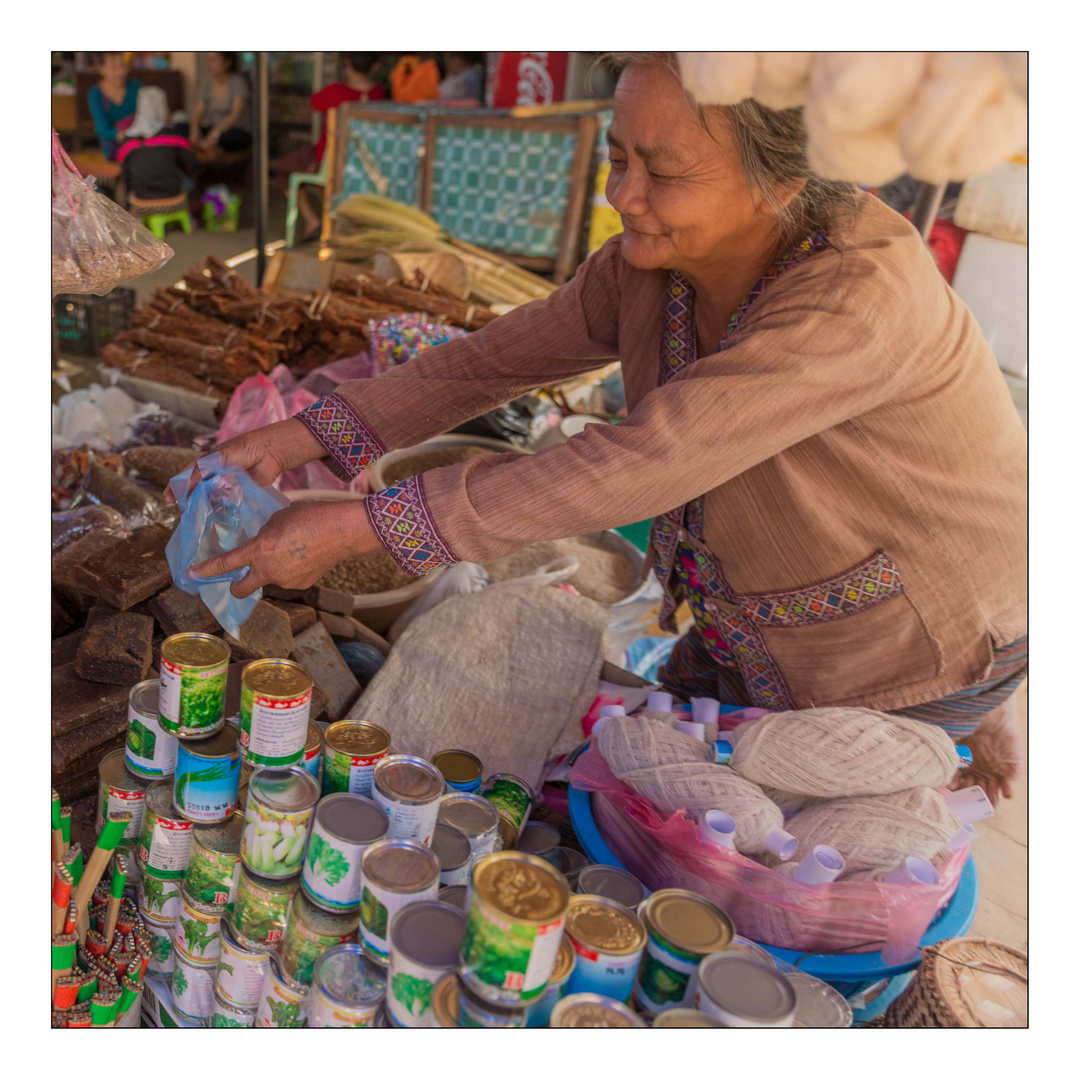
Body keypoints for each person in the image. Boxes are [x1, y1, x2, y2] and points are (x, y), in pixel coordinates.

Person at [182, 52, 1027, 805]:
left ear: (784, 181)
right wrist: (299, 437)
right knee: (662, 787)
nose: (623, 196)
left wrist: (368, 525)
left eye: (662, 172)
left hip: (901, 647)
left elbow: (651, 459)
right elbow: (485, 363)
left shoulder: (859, 295)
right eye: (620, 158)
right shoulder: (647, 269)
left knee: (759, 860)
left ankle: (967, 711)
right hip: (758, 635)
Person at [276, 53, 387, 243]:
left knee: (287, 168)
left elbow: (314, 102)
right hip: (362, 164)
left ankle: (312, 220)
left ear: (347, 64)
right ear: (375, 67)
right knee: (317, 176)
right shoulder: (378, 93)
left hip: (329, 160)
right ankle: (333, 216)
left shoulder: (337, 91)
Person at [118, 86, 200, 202]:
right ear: (163, 108)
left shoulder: (128, 141)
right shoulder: (174, 137)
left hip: (141, 199)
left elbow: (125, 175)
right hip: (173, 197)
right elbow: (194, 164)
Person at [189, 52, 251, 155]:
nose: (209, 64)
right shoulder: (206, 83)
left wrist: (215, 133)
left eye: (214, 60)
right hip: (211, 127)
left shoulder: (238, 82)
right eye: (208, 60)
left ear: (227, 63)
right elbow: (199, 111)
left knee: (231, 138)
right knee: (180, 128)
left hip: (233, 129)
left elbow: (235, 114)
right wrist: (194, 128)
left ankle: (212, 148)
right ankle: (207, 146)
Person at [88, 52, 141, 161]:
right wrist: (123, 135)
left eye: (123, 66)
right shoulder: (96, 93)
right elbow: (102, 129)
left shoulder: (136, 87)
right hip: (114, 145)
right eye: (113, 68)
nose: (120, 72)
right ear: (101, 69)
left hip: (140, 138)